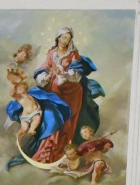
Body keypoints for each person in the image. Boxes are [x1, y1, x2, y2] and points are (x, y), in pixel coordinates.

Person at [31, 27, 103, 164]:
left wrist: (63, 73)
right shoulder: (52, 53)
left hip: (72, 93)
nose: (66, 41)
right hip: (55, 92)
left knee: (67, 123)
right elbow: (44, 67)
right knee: (52, 119)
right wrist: (45, 77)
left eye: (68, 38)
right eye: (64, 38)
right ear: (58, 38)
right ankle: (47, 152)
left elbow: (76, 74)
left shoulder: (73, 54)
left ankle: (63, 154)